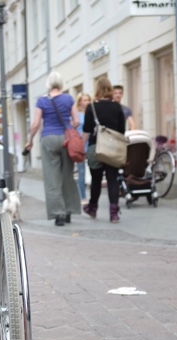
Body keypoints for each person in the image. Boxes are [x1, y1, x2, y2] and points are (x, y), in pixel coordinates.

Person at [24, 71, 81, 227]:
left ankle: (58, 215)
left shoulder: (42, 101)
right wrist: (69, 128)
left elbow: (35, 124)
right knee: (67, 176)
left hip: (48, 139)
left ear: (48, 84)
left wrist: (30, 141)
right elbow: (76, 121)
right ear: (61, 83)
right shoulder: (69, 98)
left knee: (52, 179)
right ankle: (69, 210)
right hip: (66, 139)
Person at [83, 77, 126, 223]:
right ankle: (113, 213)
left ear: (97, 89)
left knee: (96, 180)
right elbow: (122, 130)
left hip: (96, 148)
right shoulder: (117, 107)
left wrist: (82, 148)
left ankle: (92, 208)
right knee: (112, 179)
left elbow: (87, 130)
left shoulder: (92, 107)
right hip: (113, 148)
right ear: (110, 89)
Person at [75, 93, 91, 204]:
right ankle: (83, 197)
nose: (86, 102)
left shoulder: (93, 114)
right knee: (81, 172)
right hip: (80, 146)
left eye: (88, 100)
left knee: (95, 171)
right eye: (84, 100)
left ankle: (93, 195)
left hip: (91, 146)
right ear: (80, 102)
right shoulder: (77, 115)